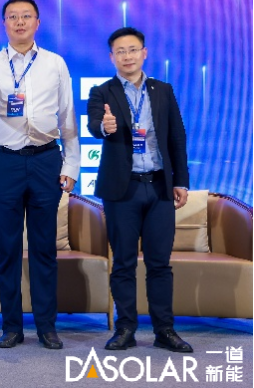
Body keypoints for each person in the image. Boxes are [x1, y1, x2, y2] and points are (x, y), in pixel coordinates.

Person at [0, 0, 80, 349]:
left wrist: (71, 164)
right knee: (7, 247)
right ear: (4, 24)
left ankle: (47, 326)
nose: (19, 22)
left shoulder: (54, 63)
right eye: (13, 17)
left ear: (37, 23)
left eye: (26, 16)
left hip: (46, 159)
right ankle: (12, 326)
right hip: (4, 162)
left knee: (45, 247)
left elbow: (68, 116)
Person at [87, 27, 192, 353]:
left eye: (133, 50)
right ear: (112, 57)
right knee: (124, 263)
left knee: (160, 264)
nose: (127, 56)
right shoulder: (102, 91)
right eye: (120, 51)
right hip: (123, 190)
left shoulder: (163, 90)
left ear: (144, 53)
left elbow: (176, 137)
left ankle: (165, 330)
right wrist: (104, 127)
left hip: (159, 187)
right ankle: (125, 329)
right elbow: (93, 125)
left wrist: (180, 180)